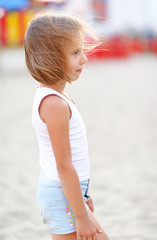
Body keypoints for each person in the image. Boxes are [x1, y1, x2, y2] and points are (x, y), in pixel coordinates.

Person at [24, 11, 109, 240]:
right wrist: (81, 216)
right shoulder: (53, 104)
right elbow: (63, 165)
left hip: (68, 192)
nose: (84, 58)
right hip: (61, 196)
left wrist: (83, 194)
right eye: (75, 52)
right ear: (51, 57)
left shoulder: (56, 97)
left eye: (82, 50)